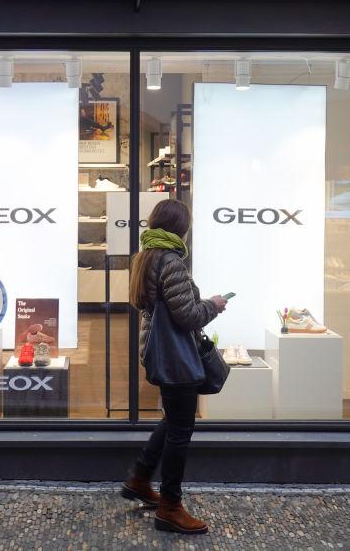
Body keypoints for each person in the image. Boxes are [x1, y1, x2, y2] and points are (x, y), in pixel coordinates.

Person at [119, 199, 228, 535]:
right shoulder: (171, 261)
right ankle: (170, 507)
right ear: (182, 228)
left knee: (174, 420)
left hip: (160, 352)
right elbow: (189, 316)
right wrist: (214, 305)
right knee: (181, 430)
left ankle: (140, 478)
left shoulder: (145, 257)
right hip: (177, 357)